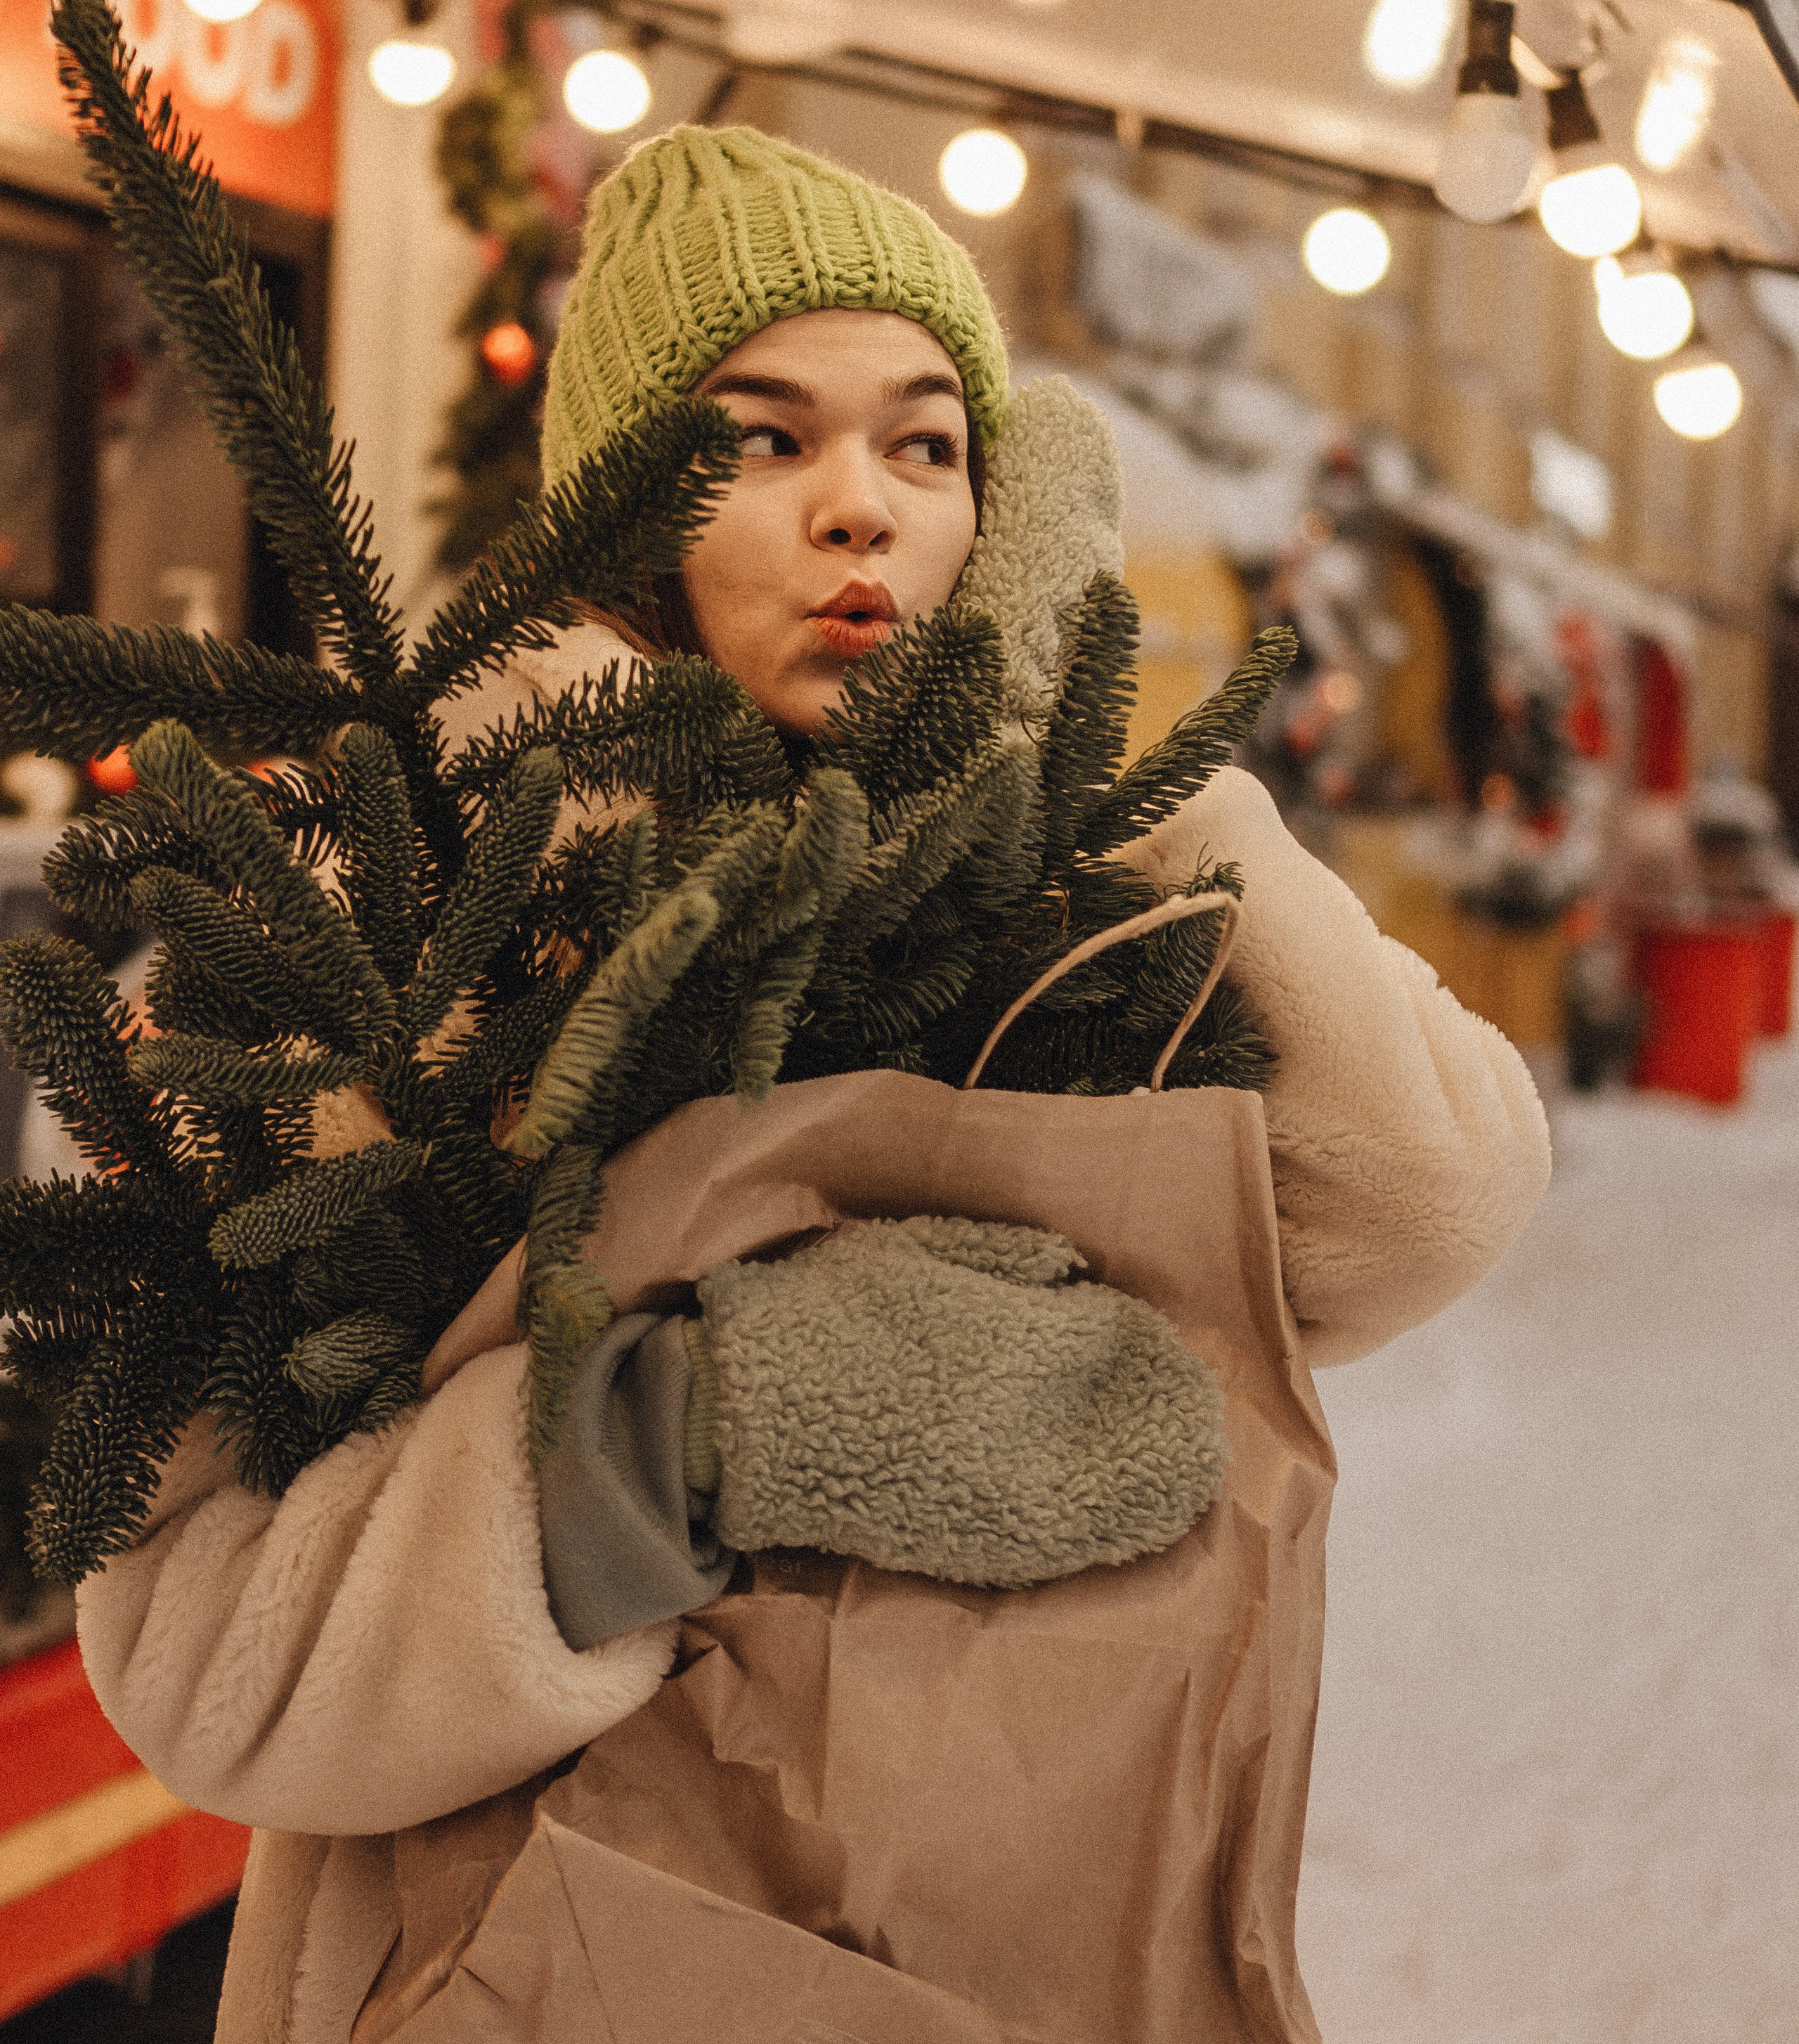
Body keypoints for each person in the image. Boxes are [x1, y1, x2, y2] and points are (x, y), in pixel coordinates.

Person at [77, 127, 1550, 2042]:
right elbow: (199, 1657)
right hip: (517, 1976)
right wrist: (674, 1437)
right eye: (760, 440)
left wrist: (1107, 750)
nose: (862, 509)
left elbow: (1421, 1201)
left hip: (990, 1950)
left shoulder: (1051, 901)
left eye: (928, 445)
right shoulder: (395, 909)